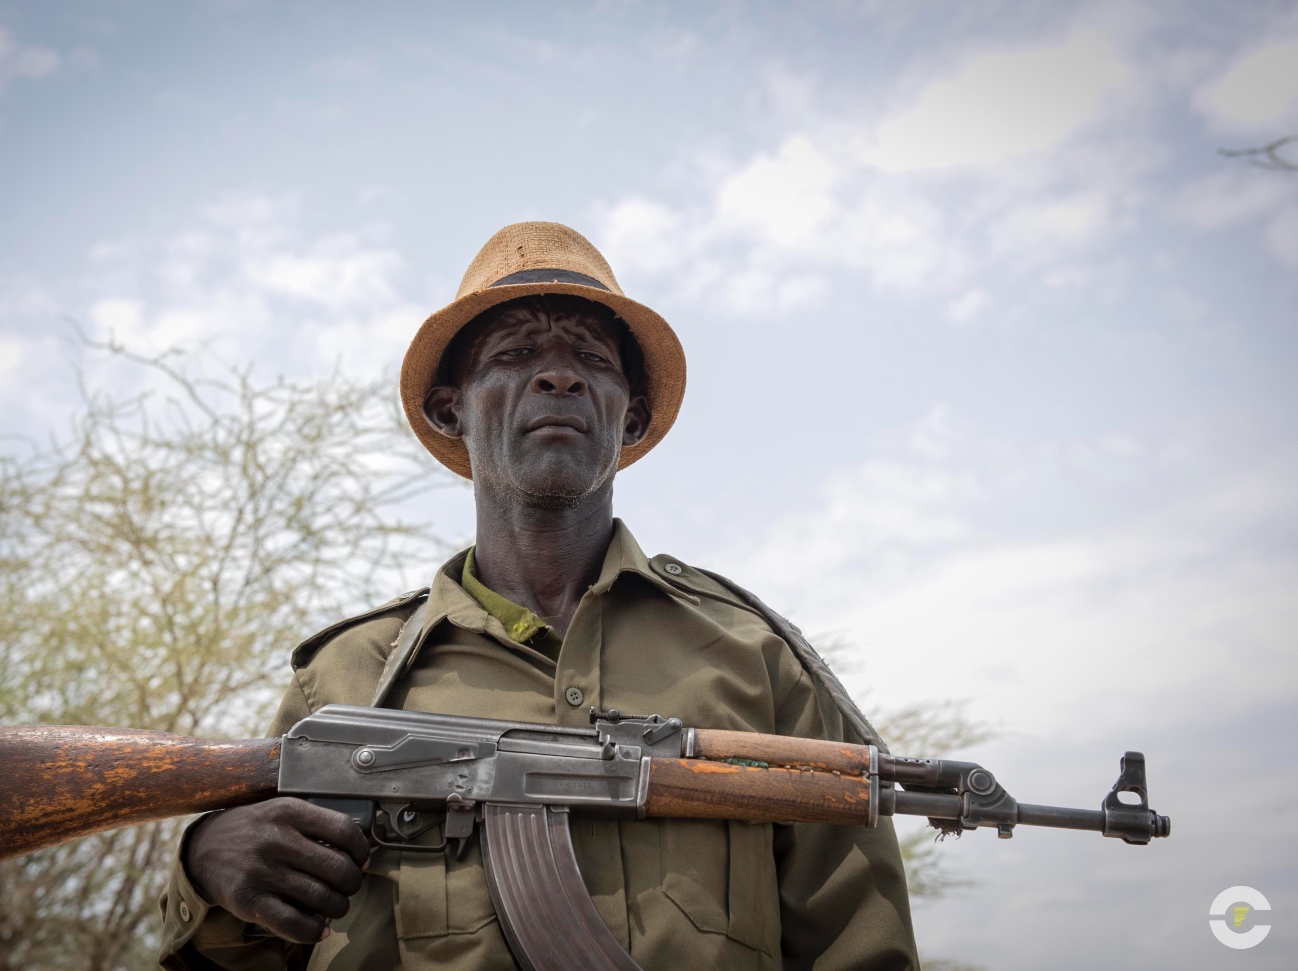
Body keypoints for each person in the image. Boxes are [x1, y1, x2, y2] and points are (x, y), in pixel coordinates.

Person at [158, 222, 920, 970]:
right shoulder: (348, 678)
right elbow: (247, 946)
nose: (560, 375)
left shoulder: (757, 660)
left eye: (592, 357)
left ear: (634, 416)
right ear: (450, 409)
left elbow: (861, 946)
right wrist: (205, 866)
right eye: (517, 352)